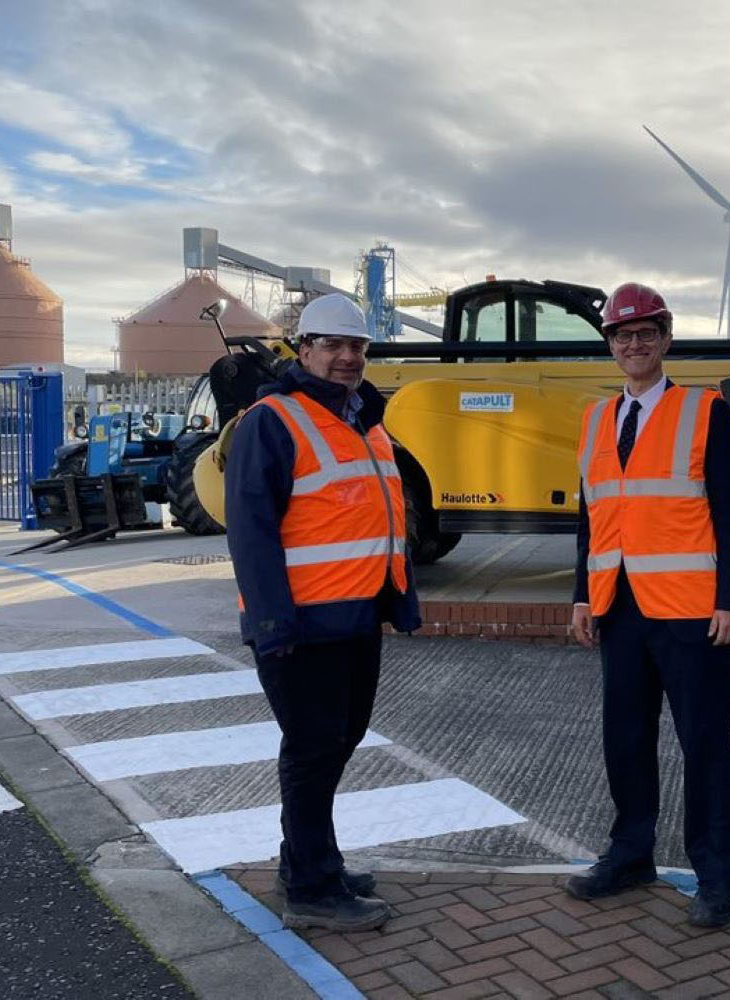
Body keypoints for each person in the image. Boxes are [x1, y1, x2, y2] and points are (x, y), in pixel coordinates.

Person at [225, 292, 420, 932]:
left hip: (356, 619)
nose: (346, 358)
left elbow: (380, 520)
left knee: (341, 740)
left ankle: (309, 859)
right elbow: (252, 534)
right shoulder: (272, 422)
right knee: (312, 751)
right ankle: (311, 889)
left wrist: (398, 600)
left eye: (356, 347)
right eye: (333, 346)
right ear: (303, 349)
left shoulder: (366, 422)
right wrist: (273, 625)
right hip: (302, 628)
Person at [567, 282, 730, 928]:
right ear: (612, 346)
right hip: (618, 609)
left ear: (666, 339)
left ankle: (718, 873)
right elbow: (594, 516)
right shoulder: (596, 420)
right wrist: (582, 596)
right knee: (626, 738)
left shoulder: (704, 413)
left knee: (704, 743)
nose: (634, 344)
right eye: (623, 335)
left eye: (646, 333)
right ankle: (630, 852)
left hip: (691, 609)